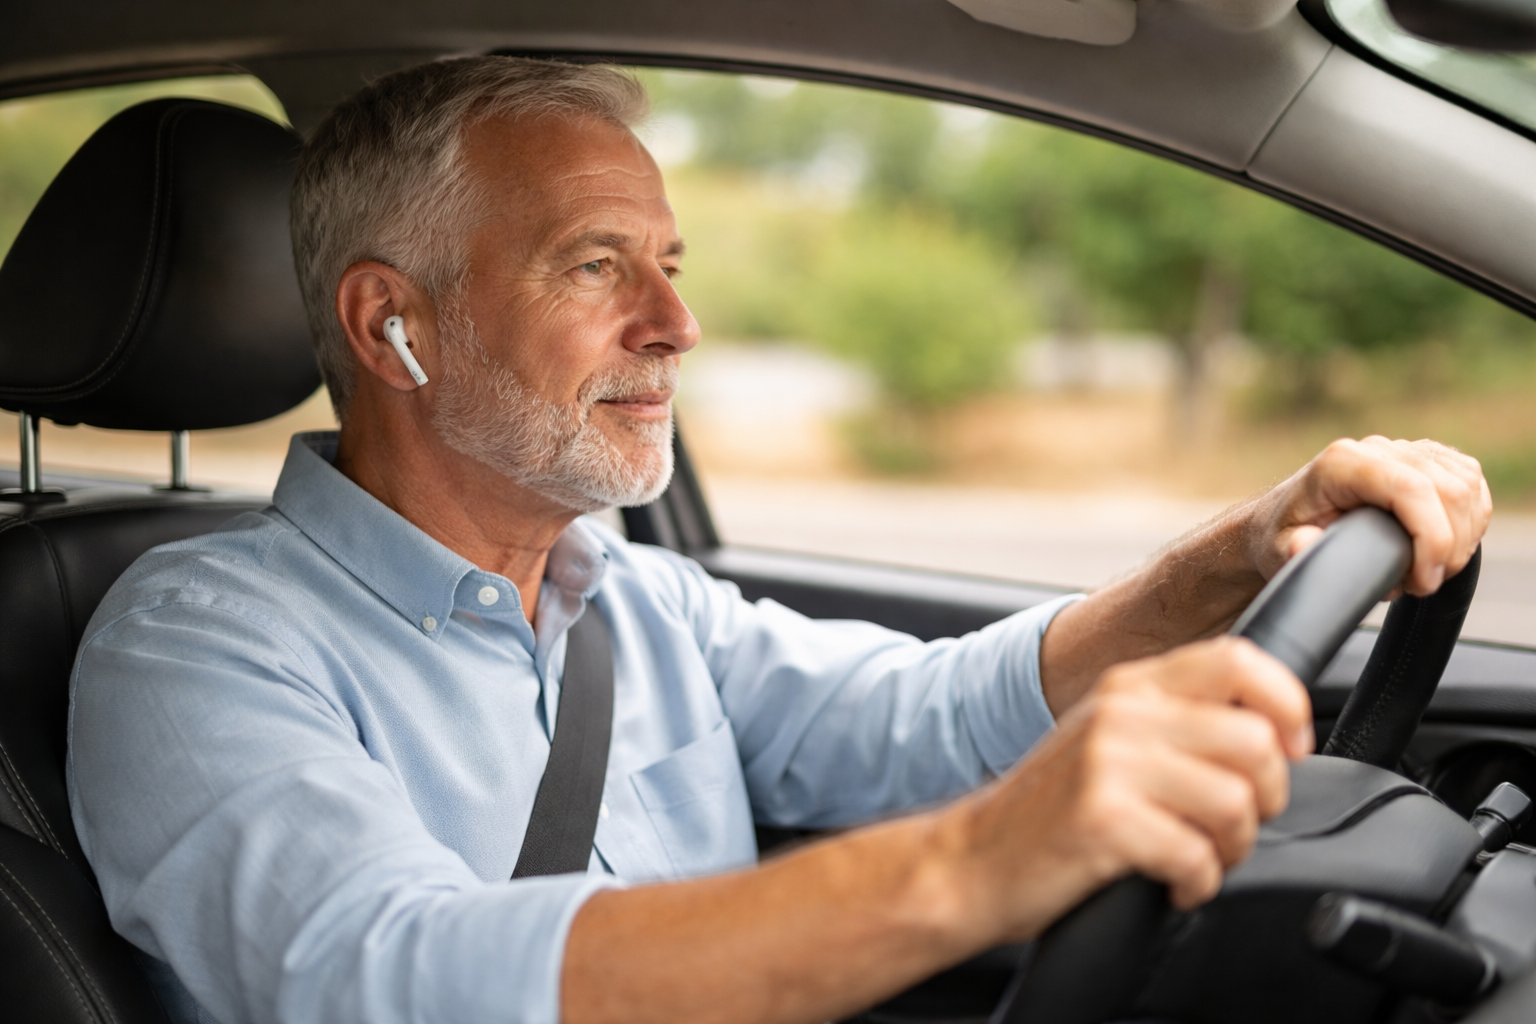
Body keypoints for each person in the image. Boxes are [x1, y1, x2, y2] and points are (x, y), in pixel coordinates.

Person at [67, 56, 1491, 1024]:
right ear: (394, 325)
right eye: (596, 264)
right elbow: (393, 974)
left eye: (671, 266)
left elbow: (935, 715)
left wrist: (1238, 554)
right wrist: (972, 865)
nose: (677, 325)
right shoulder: (197, 646)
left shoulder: (635, 599)